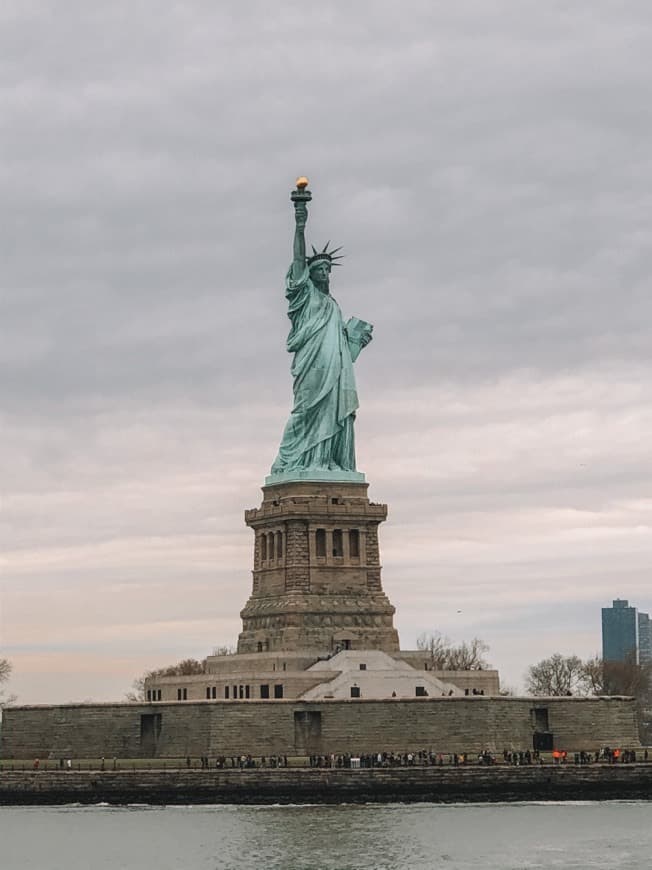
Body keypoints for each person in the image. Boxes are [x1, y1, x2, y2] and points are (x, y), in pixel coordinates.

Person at [270, 187, 372, 476]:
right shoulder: (304, 297)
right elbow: (298, 259)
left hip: (336, 370)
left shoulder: (333, 306)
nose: (325, 273)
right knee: (306, 411)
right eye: (319, 270)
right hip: (312, 366)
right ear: (309, 275)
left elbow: (342, 351)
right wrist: (300, 223)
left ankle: (329, 462)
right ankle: (296, 461)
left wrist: (356, 341)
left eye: (328, 269)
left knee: (334, 411)